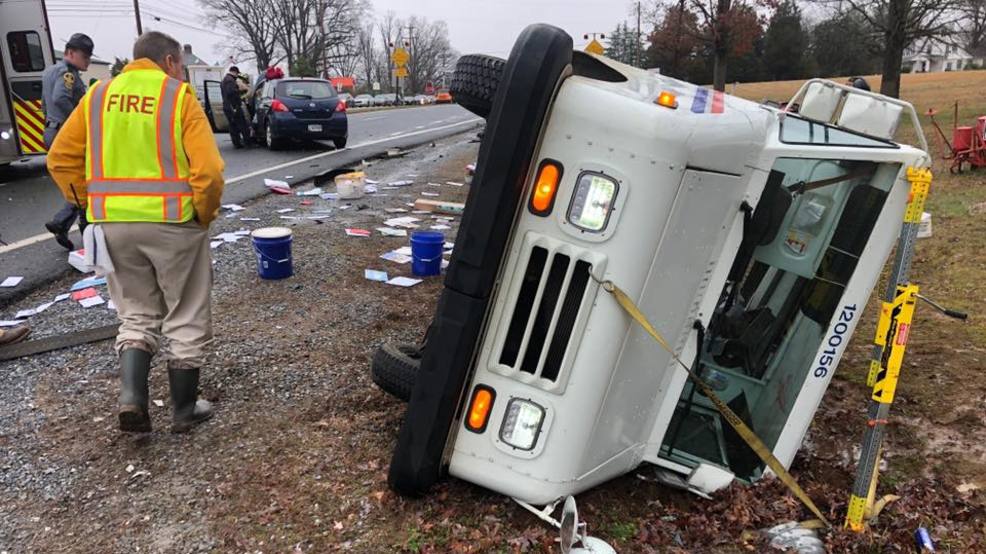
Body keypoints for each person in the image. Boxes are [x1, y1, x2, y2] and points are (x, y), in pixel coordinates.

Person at [47, 31, 225, 434]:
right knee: (186, 311)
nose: (181, 72)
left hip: (112, 225)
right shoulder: (178, 97)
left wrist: (87, 201)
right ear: (169, 62)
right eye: (180, 65)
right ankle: (184, 409)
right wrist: (204, 213)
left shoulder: (97, 95)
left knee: (136, 313)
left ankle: (132, 399)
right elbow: (210, 171)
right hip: (174, 224)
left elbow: (60, 158)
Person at [42, 33, 94, 251]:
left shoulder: (50, 71)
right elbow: (59, 98)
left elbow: (45, 103)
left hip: (52, 130)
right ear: (71, 53)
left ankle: (62, 223)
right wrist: (77, 122)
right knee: (84, 180)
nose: (88, 61)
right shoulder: (67, 73)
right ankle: (87, 232)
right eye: (85, 56)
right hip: (66, 133)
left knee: (73, 181)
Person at [221, 66, 250, 148]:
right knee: (242, 124)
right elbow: (231, 92)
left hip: (227, 106)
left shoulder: (224, 80)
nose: (237, 76)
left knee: (233, 125)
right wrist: (240, 91)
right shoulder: (230, 80)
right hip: (233, 106)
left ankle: (237, 143)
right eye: (237, 74)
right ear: (234, 72)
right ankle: (247, 142)